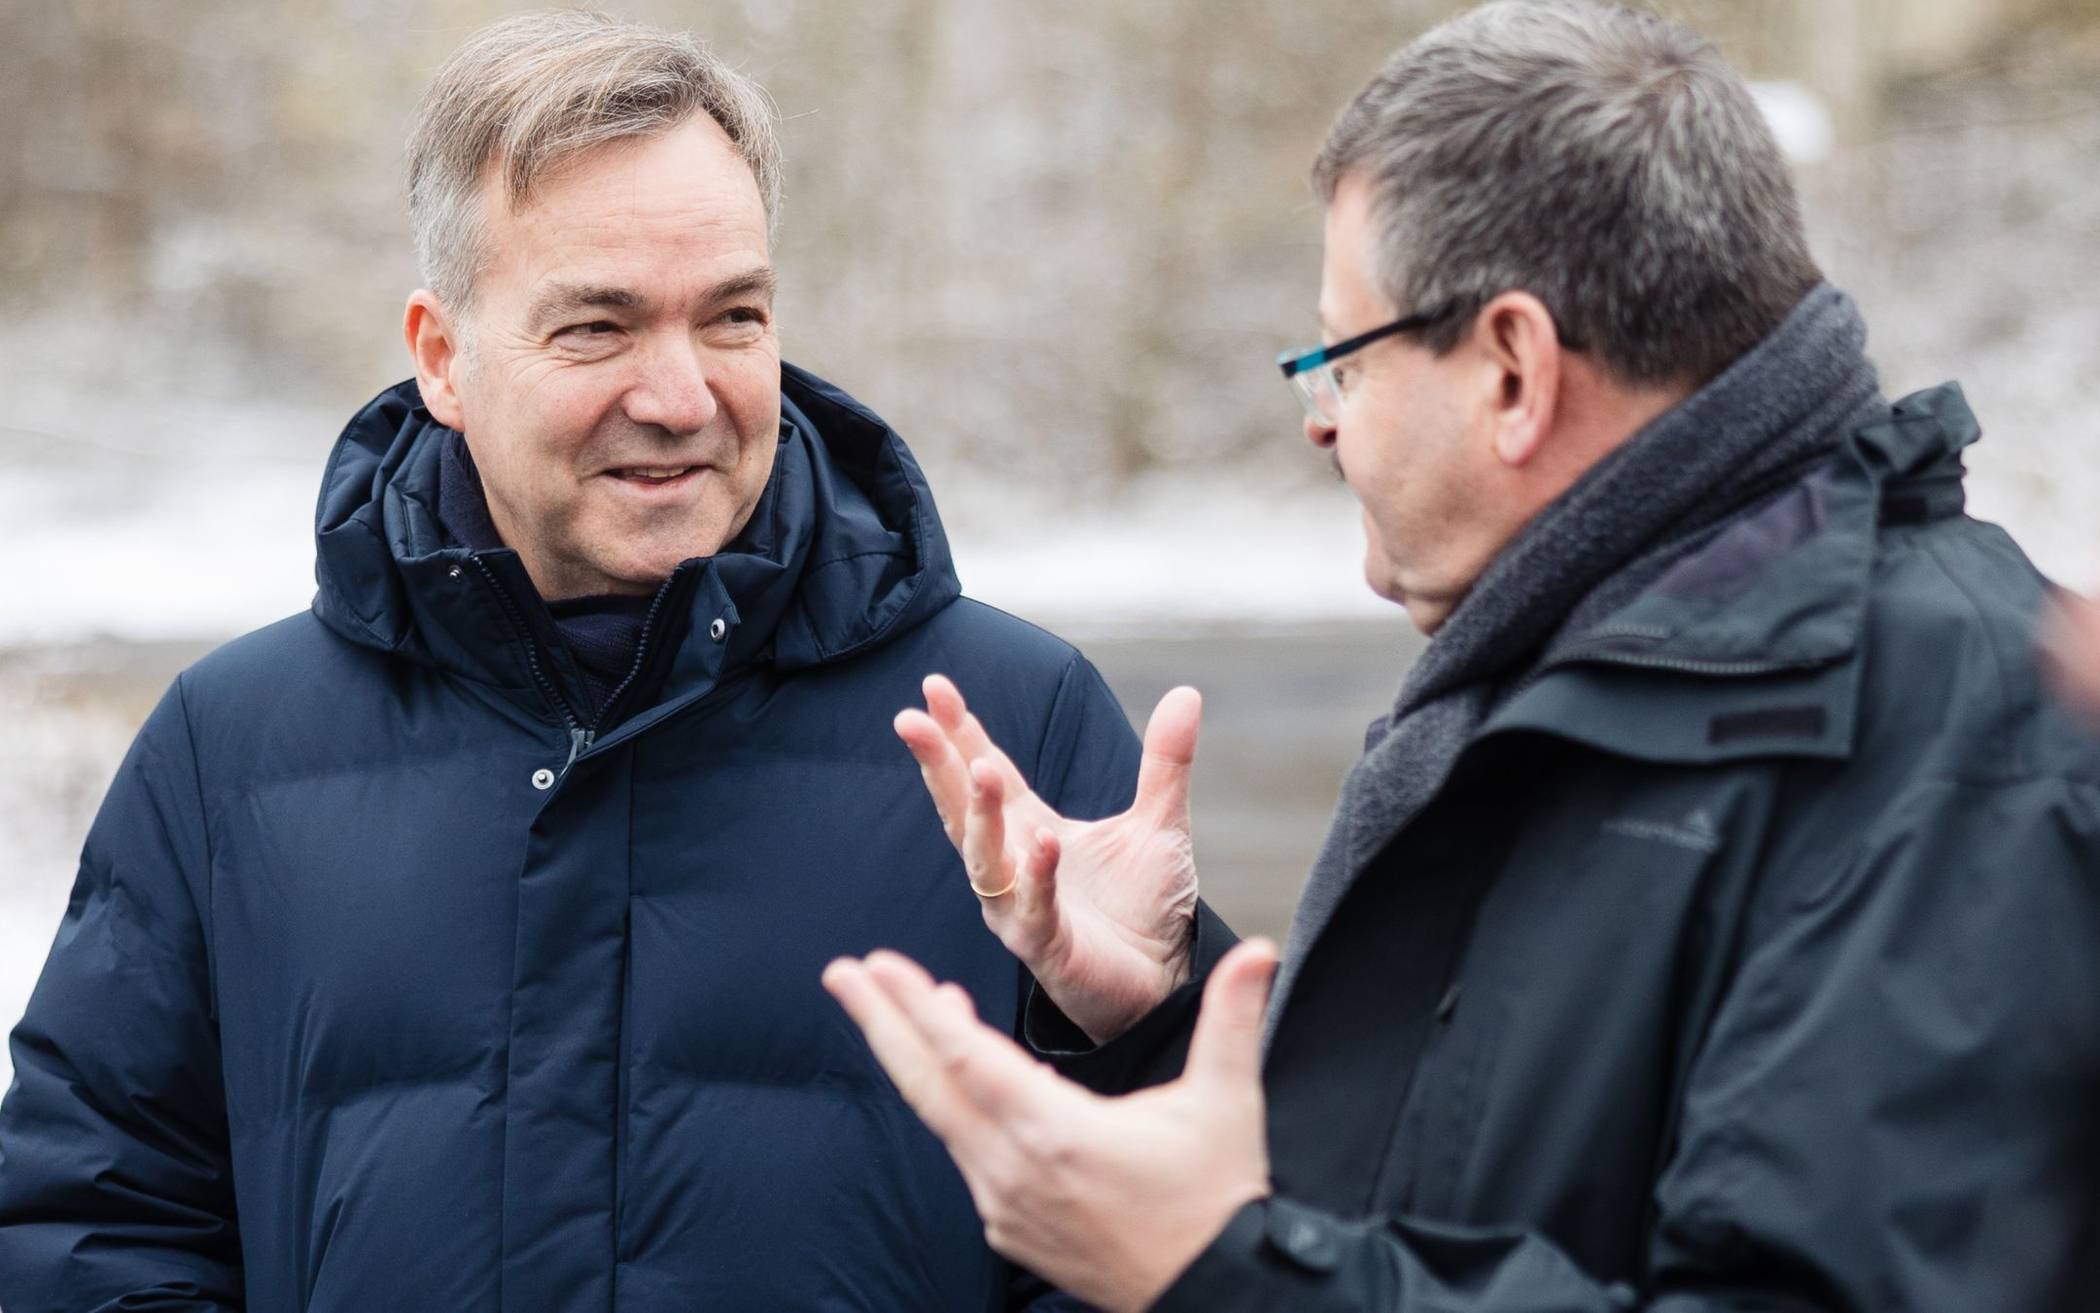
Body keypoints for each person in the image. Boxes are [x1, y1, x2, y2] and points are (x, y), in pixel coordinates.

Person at [823, 3, 2100, 1309]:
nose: (1321, 427)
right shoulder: (1599, 668)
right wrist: (1162, 1017)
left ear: (1511, 372)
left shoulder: (1955, 745)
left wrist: (1227, 1277)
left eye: (1343, 362)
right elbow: (1444, 1193)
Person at [0, 12, 1140, 1311]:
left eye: (733, 316)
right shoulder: (231, 751)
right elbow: (92, 1225)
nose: (681, 397)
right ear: (443, 358)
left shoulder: (1013, 727)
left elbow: (1161, 1236)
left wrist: (1151, 1013)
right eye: (598, 327)